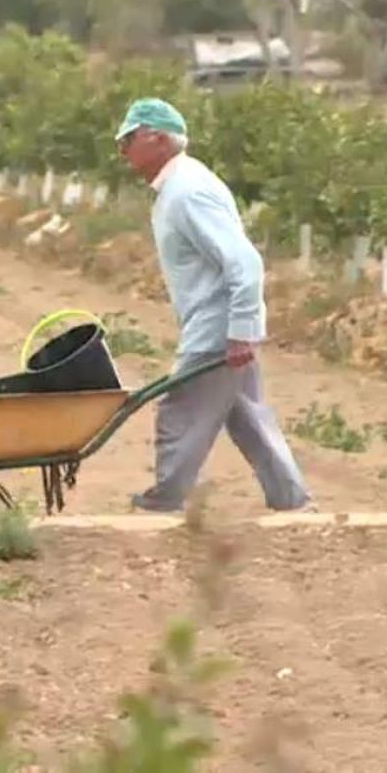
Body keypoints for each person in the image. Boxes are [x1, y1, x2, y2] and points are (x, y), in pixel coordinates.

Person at [115, 97, 314, 513]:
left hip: (217, 326)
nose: (122, 150)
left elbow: (244, 262)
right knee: (247, 415)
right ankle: (291, 500)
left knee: (182, 409)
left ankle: (166, 498)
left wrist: (240, 330)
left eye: (129, 139)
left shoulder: (187, 191)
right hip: (220, 324)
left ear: (157, 138)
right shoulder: (179, 186)